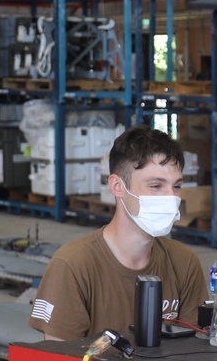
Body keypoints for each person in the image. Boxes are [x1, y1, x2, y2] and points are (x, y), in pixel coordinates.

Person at [28, 125, 207, 341]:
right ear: (117, 186)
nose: (171, 198)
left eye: (176, 186)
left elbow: (193, 352)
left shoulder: (184, 262)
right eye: (156, 185)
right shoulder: (73, 265)